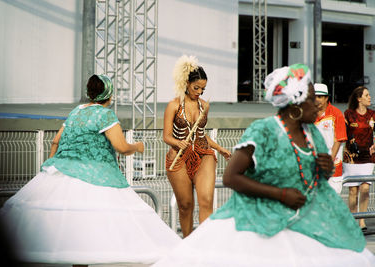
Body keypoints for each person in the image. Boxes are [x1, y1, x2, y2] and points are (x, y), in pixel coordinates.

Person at [153, 64, 375, 266]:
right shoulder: (264, 131)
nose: (318, 105)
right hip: (261, 224)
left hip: (301, 222)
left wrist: (323, 169)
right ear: (294, 104)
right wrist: (281, 194)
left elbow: (312, 179)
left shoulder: (313, 135)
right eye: (311, 99)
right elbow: (232, 178)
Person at [0, 74, 181, 266]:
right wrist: (138, 147)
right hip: (96, 176)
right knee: (94, 231)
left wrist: (53, 165)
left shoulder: (76, 111)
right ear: (109, 95)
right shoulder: (105, 115)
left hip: (62, 172)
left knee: (71, 232)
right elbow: (122, 147)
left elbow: (55, 141)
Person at [163, 55, 231, 237]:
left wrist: (220, 148)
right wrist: (178, 142)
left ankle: (204, 244)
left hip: (203, 154)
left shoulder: (204, 106)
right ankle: (187, 244)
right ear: (186, 83)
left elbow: (200, 134)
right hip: (179, 157)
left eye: (203, 89)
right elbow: (166, 136)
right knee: (185, 205)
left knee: (206, 200)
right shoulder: (173, 105)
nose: (200, 92)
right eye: (196, 88)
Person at [343, 86, 375, 232]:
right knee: (353, 191)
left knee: (365, 187)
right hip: (351, 157)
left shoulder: (373, 114)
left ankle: (361, 220)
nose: (370, 97)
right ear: (359, 98)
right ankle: (352, 219)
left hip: (368, 156)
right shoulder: (348, 114)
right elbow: (343, 133)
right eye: (367, 95)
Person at [314, 83, 347, 193]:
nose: (316, 100)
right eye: (314, 97)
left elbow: (338, 140)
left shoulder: (336, 114)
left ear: (326, 98)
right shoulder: (309, 115)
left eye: (320, 97)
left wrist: (327, 162)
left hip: (333, 169)